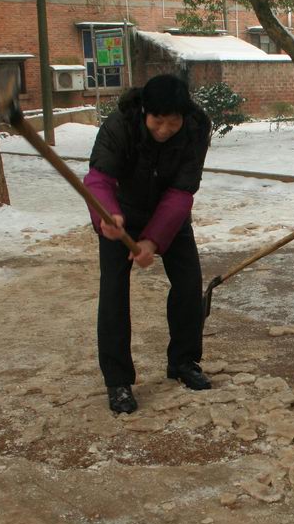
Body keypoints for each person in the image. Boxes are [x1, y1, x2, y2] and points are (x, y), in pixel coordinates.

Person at [83, 74, 212, 414]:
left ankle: (184, 362)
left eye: (173, 122)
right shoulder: (119, 126)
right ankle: (118, 381)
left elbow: (183, 189)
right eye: (158, 121)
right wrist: (107, 216)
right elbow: (98, 179)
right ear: (144, 112)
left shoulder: (196, 128)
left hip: (171, 211)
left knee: (188, 284)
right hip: (120, 213)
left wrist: (154, 240)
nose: (165, 130)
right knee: (113, 291)